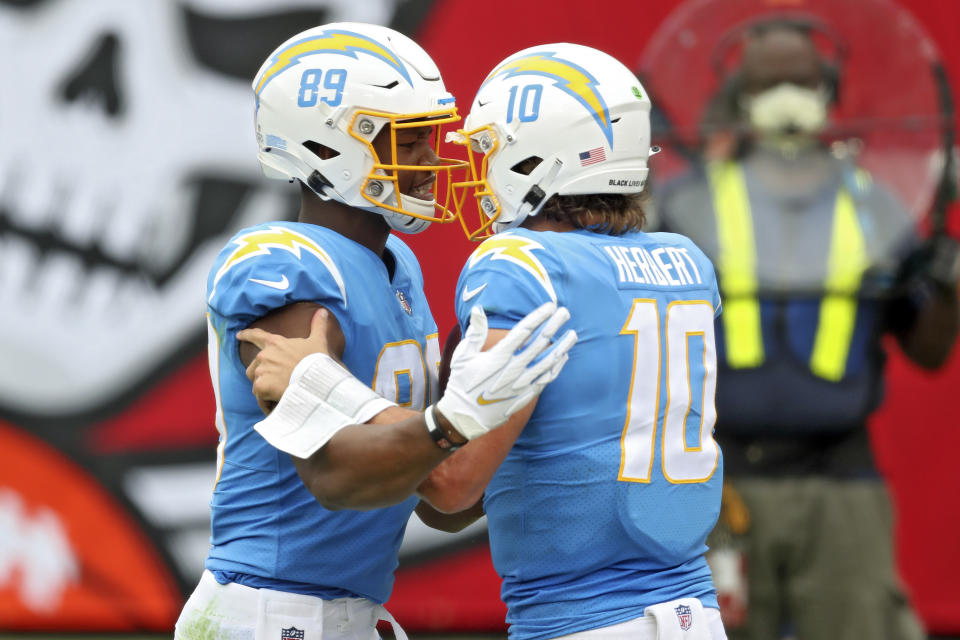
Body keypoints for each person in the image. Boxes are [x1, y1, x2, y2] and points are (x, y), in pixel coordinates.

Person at [246, 43, 728, 640]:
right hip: (695, 612)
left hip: (584, 619)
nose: (475, 168)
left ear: (535, 157)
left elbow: (452, 487)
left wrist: (329, 388)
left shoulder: (522, 264)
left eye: (488, 149)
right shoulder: (685, 264)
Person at [174, 23, 576, 640]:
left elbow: (440, 498)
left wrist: (508, 420)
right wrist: (451, 422)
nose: (429, 162)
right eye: (408, 142)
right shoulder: (282, 264)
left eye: (429, 139)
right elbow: (336, 472)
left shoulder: (399, 267)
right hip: (268, 606)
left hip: (347, 608)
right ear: (327, 147)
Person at [654, 18, 960, 640]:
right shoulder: (688, 207)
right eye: (771, 83)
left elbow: (929, 351)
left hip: (841, 481)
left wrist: (948, 284)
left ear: (829, 89)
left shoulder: (877, 206)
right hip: (719, 480)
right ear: (739, 95)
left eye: (803, 80)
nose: (788, 96)